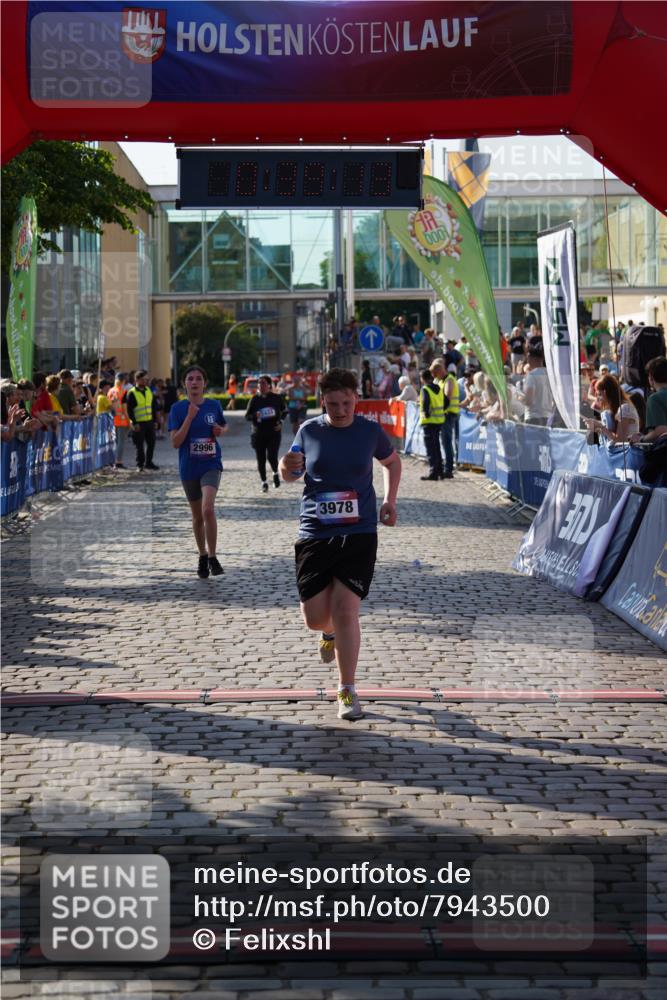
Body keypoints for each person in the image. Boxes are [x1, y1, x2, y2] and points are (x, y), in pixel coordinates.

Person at [279, 368, 400, 721]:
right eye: (333, 404)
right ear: (323, 402)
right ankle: (327, 632)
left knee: (347, 609)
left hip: (359, 531)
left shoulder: (369, 431)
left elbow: (392, 463)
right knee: (316, 618)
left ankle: (347, 689)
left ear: (355, 400)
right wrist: (286, 467)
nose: (341, 410)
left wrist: (389, 500)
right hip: (316, 531)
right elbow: (290, 473)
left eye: (347, 403)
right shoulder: (309, 430)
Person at [168, 365, 228, 579]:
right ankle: (202, 555)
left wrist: (221, 430)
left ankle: (212, 556)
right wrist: (189, 418)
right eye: (190, 379)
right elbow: (175, 442)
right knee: (196, 516)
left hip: (211, 464)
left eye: (198, 379)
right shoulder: (177, 409)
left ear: (204, 383)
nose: (194, 382)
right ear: (185, 384)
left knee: (208, 509)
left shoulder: (213, 405)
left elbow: (223, 425)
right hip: (189, 467)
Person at [245, 374, 287, 492]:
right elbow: (247, 416)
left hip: (273, 432)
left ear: (269, 385)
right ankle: (264, 482)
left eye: (263, 383)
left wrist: (281, 422)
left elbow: (285, 411)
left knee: (272, 456)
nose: (260, 385)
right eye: (259, 383)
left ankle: (275, 473)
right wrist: (254, 415)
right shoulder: (254, 399)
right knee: (261, 459)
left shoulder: (276, 398)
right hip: (258, 433)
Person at [585, 373, 640, 443]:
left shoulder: (624, 408)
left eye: (599, 394)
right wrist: (596, 426)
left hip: (626, 452)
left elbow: (620, 440)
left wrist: (601, 426)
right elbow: (613, 435)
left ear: (605, 393)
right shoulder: (619, 408)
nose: (597, 398)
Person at [126, 370, 159, 471]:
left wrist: (155, 421)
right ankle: (140, 464)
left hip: (149, 422)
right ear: (137, 379)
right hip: (139, 423)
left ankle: (149, 463)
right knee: (139, 445)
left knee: (151, 443)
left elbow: (153, 407)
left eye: (146, 379)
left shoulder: (148, 391)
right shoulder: (131, 393)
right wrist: (134, 423)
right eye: (143, 379)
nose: (145, 381)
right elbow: (129, 410)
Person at [429, 358, 457, 478]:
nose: (435, 377)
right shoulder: (441, 380)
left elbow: (447, 397)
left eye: (435, 374)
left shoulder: (449, 380)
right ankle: (446, 467)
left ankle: (449, 469)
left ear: (440, 371)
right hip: (444, 414)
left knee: (446, 442)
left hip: (448, 414)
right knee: (444, 442)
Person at [419, 367, 445, 481]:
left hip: (429, 422)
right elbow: (446, 401)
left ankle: (433, 472)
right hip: (439, 421)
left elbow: (425, 403)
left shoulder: (425, 389)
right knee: (437, 447)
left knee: (431, 448)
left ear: (422, 378)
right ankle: (440, 471)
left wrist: (426, 414)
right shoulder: (438, 387)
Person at [520, 349, 553, 425]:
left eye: (528, 358)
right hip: (547, 417)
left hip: (533, 418)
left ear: (531, 359)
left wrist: (519, 397)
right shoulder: (550, 374)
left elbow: (529, 401)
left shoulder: (532, 375)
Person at [108, 372, 130, 469]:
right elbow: (125, 409)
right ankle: (119, 461)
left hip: (111, 419)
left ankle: (112, 460)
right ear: (123, 381)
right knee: (121, 442)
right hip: (121, 419)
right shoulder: (123, 392)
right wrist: (129, 421)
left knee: (113, 441)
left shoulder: (111, 391)